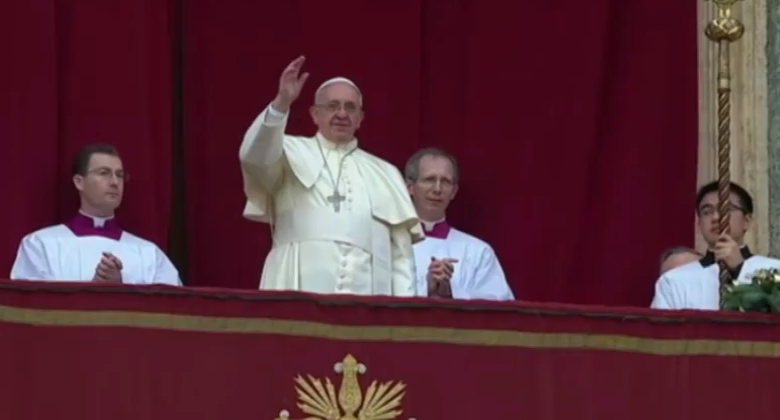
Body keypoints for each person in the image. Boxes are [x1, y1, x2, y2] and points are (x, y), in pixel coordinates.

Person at [239, 56, 423, 296]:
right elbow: (253, 156)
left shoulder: (386, 173)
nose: (342, 113)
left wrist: (401, 312)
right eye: (332, 106)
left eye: (350, 107)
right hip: (297, 287)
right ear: (315, 114)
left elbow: (401, 255)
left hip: (368, 297)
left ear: (360, 119)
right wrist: (281, 103)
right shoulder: (287, 151)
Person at [10, 144, 181, 285]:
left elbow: (170, 308)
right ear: (79, 182)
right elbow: (31, 306)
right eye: (104, 173)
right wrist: (94, 292)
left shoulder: (148, 253)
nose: (115, 182)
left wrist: (121, 285)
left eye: (120, 175)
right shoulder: (41, 245)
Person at [651, 181, 780, 310]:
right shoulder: (674, 281)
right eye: (707, 212)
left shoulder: (775, 270)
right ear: (699, 223)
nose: (716, 217)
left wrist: (739, 268)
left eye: (726, 209)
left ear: (747, 220)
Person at [405, 147, 514, 300]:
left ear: (454, 191)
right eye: (429, 179)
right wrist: (426, 291)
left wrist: (451, 293)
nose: (437, 189)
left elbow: (499, 307)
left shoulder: (478, 252)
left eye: (445, 182)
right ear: (410, 187)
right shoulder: (387, 244)